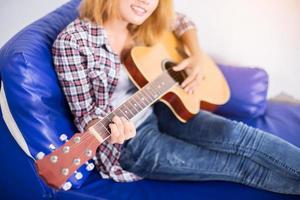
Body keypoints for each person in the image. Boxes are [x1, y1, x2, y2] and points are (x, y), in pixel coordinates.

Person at [52, 0, 300, 194]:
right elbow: (85, 115)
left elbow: (182, 21)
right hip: (129, 145)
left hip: (161, 107)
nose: (145, 2)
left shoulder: (144, 20)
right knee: (238, 166)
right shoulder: (73, 42)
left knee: (242, 135)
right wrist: (111, 131)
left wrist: (195, 56)